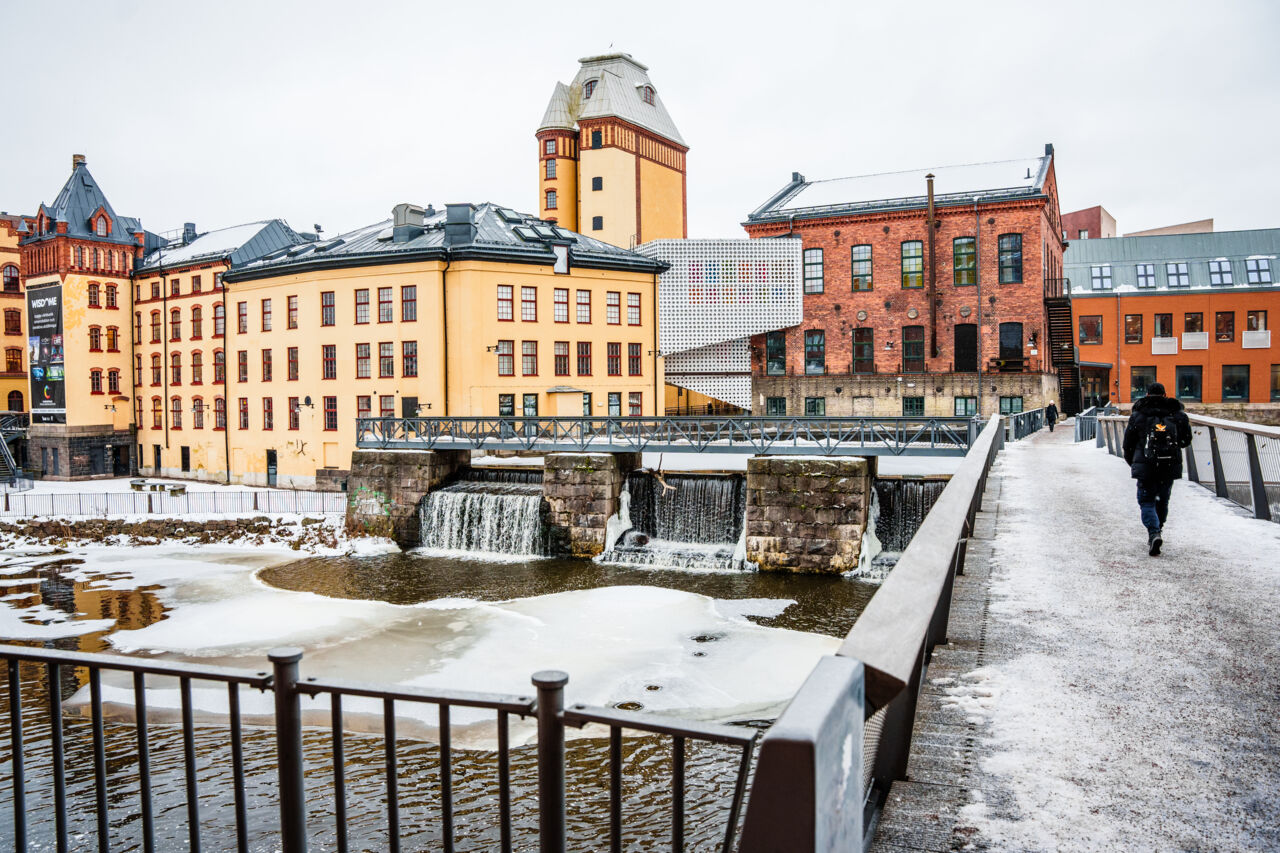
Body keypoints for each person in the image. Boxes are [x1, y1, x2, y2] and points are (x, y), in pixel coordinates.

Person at [1122, 383, 1191, 556]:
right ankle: (1159, 528)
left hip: (1146, 466)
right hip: (1168, 465)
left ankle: (1154, 532)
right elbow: (1186, 440)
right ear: (1165, 395)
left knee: (1146, 501)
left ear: (1146, 395)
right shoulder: (1177, 414)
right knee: (1162, 500)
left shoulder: (1138, 415)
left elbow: (1128, 444)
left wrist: (1134, 463)